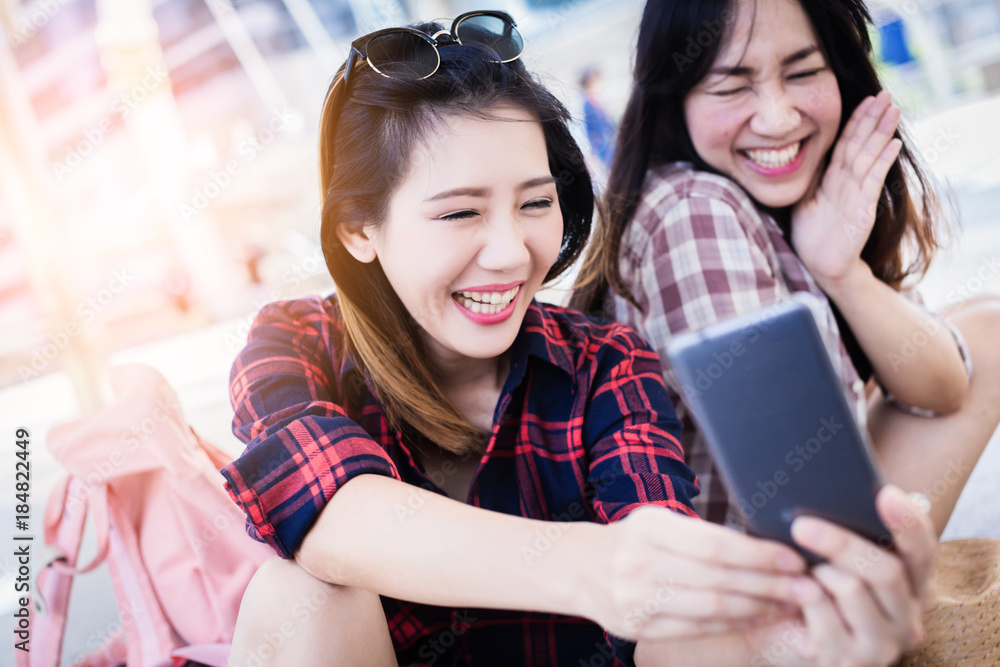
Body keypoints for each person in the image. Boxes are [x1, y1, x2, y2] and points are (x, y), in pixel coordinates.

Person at [224, 10, 936, 667]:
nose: (509, 252)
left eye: (536, 202)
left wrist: (806, 636)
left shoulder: (605, 361)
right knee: (304, 592)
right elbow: (334, 514)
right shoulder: (296, 344)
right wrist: (596, 564)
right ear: (358, 228)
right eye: (458, 213)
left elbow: (665, 595)